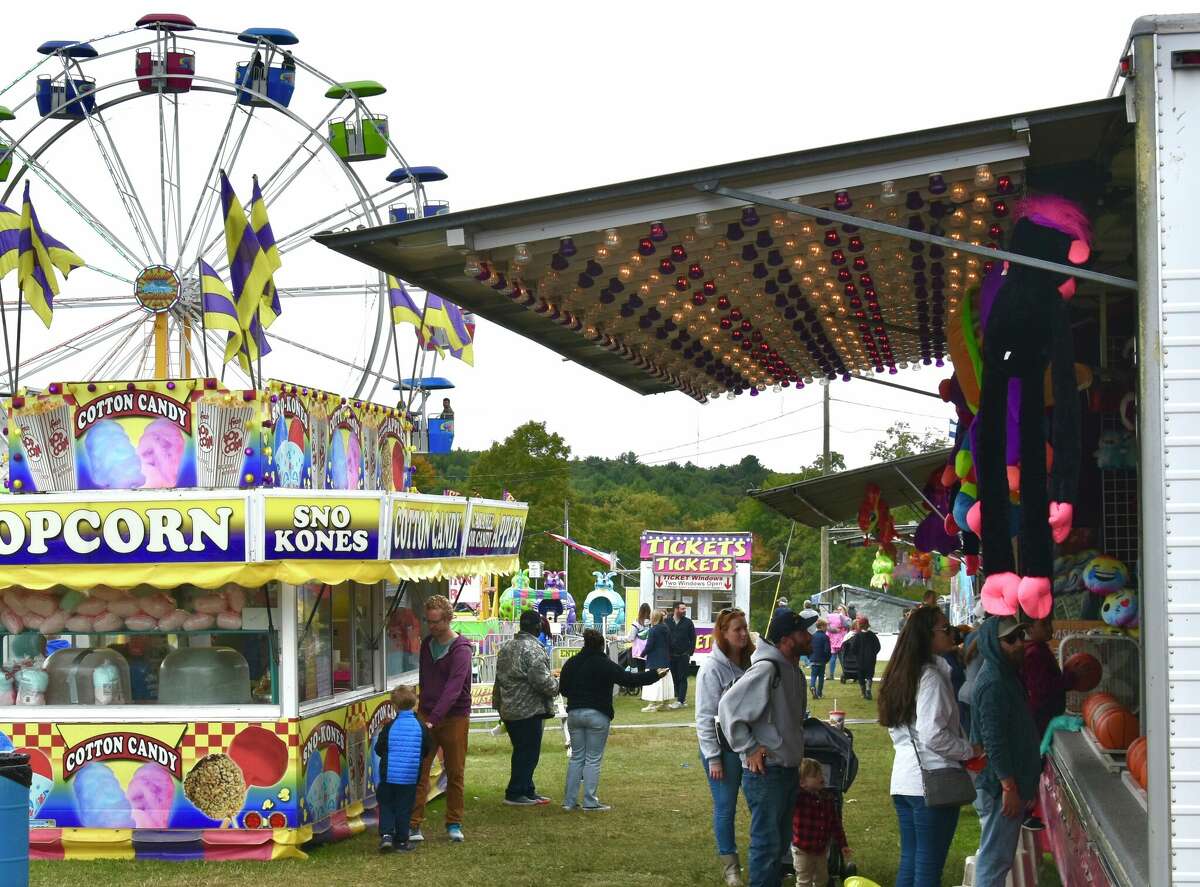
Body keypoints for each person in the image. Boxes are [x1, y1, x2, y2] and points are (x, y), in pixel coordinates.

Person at [878, 606, 981, 887]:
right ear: (927, 635)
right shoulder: (931, 677)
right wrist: (969, 750)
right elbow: (932, 734)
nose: (953, 633)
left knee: (912, 863)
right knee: (927, 868)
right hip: (932, 783)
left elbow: (896, 728)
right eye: (945, 628)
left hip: (905, 781)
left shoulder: (902, 675)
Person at [718, 609, 815, 887]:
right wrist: (748, 748)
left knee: (778, 846)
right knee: (766, 847)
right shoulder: (767, 668)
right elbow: (728, 708)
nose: (809, 637)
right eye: (803, 633)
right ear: (786, 639)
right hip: (767, 774)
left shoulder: (792, 669)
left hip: (786, 770)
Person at [559, 628, 666, 811]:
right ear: (602, 646)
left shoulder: (572, 663)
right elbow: (629, 679)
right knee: (593, 759)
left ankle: (569, 802)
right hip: (597, 714)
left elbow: (564, 689)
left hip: (575, 714)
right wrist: (654, 675)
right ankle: (590, 802)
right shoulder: (604, 663)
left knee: (577, 758)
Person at [971, 616, 1042, 887]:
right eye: (1010, 640)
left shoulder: (1007, 676)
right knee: (994, 862)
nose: (1019, 644)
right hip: (999, 788)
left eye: (1021, 637)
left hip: (1007, 785)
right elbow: (993, 740)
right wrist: (1008, 787)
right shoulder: (994, 682)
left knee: (997, 860)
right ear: (993, 643)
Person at [696, 607, 756, 887]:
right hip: (722, 750)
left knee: (761, 802)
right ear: (723, 633)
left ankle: (769, 858)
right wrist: (713, 758)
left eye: (744, 627)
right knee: (725, 806)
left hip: (751, 747)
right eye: (737, 629)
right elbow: (704, 716)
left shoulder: (753, 662)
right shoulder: (711, 668)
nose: (743, 633)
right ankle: (730, 866)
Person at [409, 594, 473, 843]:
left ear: (448, 619)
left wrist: (432, 719)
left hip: (454, 716)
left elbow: (454, 688)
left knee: (455, 771)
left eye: (436, 622)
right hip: (427, 713)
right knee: (419, 770)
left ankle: (454, 823)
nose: (432, 626)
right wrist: (422, 710)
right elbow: (425, 678)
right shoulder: (427, 644)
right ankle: (414, 824)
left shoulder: (461, 649)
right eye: (428, 621)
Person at [492, 609, 559, 806]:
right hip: (528, 709)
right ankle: (515, 792)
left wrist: (498, 704)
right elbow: (542, 681)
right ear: (537, 627)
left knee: (522, 750)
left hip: (509, 708)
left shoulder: (507, 647)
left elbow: (499, 678)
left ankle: (528, 789)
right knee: (527, 752)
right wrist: (557, 684)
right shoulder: (533, 649)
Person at [374, 685, 433, 853]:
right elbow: (426, 749)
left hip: (388, 774)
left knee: (386, 804)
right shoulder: (420, 726)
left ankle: (386, 835)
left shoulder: (389, 726)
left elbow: (379, 748)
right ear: (414, 704)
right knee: (404, 807)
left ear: (394, 706)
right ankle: (401, 840)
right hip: (410, 775)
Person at [791, 757, 851, 887]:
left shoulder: (827, 798)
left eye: (821, 774)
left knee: (822, 879)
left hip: (821, 850)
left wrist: (843, 844)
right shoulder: (799, 799)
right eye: (815, 776)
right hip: (802, 850)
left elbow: (836, 824)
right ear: (802, 783)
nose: (821, 778)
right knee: (803, 881)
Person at [640, 610, 674, 712]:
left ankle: (652, 705)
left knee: (653, 681)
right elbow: (670, 644)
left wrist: (642, 653)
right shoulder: (666, 629)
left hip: (654, 659)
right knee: (665, 680)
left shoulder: (653, 630)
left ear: (653, 618)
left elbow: (649, 645)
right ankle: (665, 704)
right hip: (665, 658)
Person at [842, 616, 881, 700]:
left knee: (861, 676)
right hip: (870, 659)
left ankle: (863, 693)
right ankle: (868, 689)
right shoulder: (872, 635)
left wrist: (856, 655)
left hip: (860, 660)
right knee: (870, 675)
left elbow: (853, 648)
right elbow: (878, 647)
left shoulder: (857, 636)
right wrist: (873, 654)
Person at [667, 601, 697, 708]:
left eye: (685, 609)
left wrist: (690, 652)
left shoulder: (688, 622)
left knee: (682, 677)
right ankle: (678, 698)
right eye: (682, 609)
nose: (684, 611)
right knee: (673, 677)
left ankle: (680, 700)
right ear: (676, 609)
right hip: (670, 655)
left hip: (683, 655)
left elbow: (693, 638)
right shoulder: (667, 621)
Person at [627, 602, 652, 676]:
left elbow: (631, 638)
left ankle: (641, 687)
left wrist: (618, 638)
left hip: (639, 652)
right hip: (649, 650)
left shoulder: (637, 623)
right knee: (648, 671)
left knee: (641, 672)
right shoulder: (652, 622)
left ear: (640, 611)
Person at [808, 619, 831, 699]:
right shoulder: (825, 637)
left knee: (813, 675)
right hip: (821, 660)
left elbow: (809, 648)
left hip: (813, 659)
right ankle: (819, 693)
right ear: (822, 626)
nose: (826, 628)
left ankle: (812, 686)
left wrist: (810, 657)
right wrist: (827, 658)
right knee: (821, 677)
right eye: (826, 627)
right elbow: (827, 650)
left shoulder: (812, 636)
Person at [827, 606, 849, 682]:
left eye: (840, 609)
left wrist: (841, 618)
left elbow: (847, 626)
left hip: (842, 640)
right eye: (838, 609)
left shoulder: (847, 618)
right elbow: (828, 627)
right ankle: (831, 675)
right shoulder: (832, 617)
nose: (839, 611)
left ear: (845, 610)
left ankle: (845, 674)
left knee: (842, 658)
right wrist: (833, 630)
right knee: (832, 658)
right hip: (833, 640)